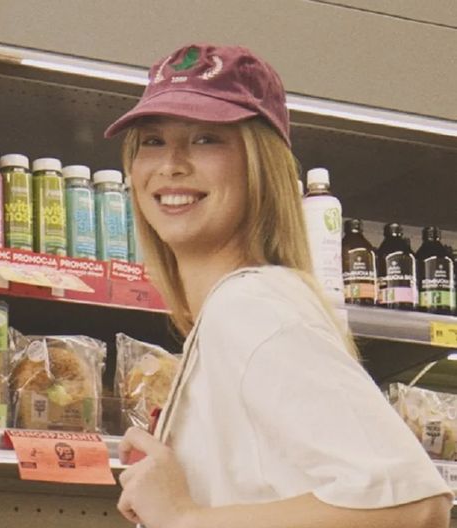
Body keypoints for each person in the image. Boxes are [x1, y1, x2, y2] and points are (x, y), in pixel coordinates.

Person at [105, 43, 452, 528]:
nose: (172, 164)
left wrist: (183, 517)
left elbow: (414, 506)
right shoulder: (233, 312)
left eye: (206, 139)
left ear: (260, 167)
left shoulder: (251, 307)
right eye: (152, 141)